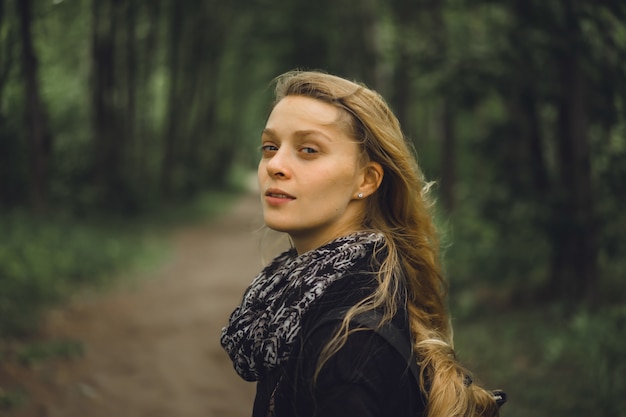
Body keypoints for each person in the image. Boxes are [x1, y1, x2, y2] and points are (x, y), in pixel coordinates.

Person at [221, 70, 504, 417]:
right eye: (270, 147)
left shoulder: (347, 341)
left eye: (308, 149)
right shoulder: (319, 290)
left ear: (366, 179)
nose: (275, 165)